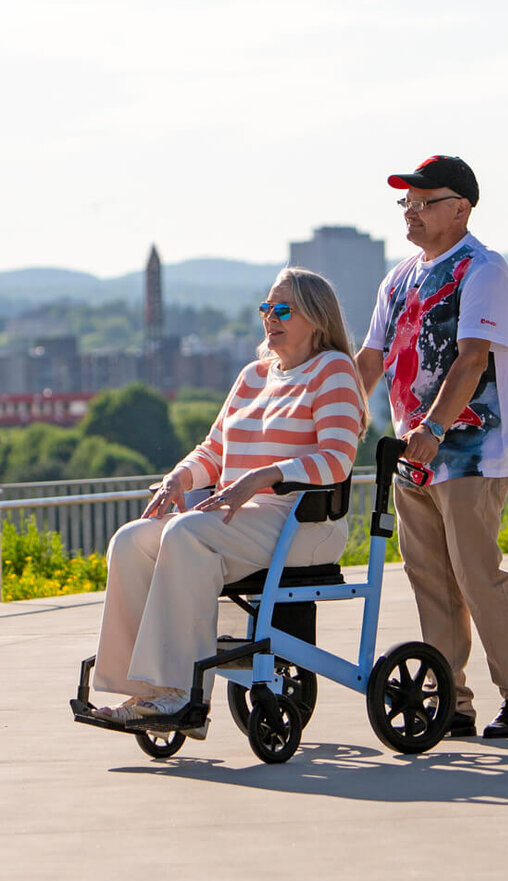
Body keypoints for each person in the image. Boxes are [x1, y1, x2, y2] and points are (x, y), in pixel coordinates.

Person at [91, 268, 367, 738]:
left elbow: (338, 458)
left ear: (316, 319)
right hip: (236, 516)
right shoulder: (252, 375)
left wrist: (267, 474)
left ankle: (181, 695)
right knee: (132, 540)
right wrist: (179, 477)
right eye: (266, 308)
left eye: (283, 310)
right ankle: (142, 690)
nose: (270, 318)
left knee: (185, 534)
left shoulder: (334, 371)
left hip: (300, 521)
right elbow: (214, 451)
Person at [355, 154, 508, 739]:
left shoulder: (482, 269)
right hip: (412, 456)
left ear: (460, 208)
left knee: (475, 573)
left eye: (424, 201)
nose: (411, 212)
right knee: (429, 578)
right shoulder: (399, 277)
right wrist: (334, 423)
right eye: (406, 203)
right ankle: (450, 700)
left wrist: (434, 431)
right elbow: (371, 359)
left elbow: (471, 359)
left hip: (469, 451)